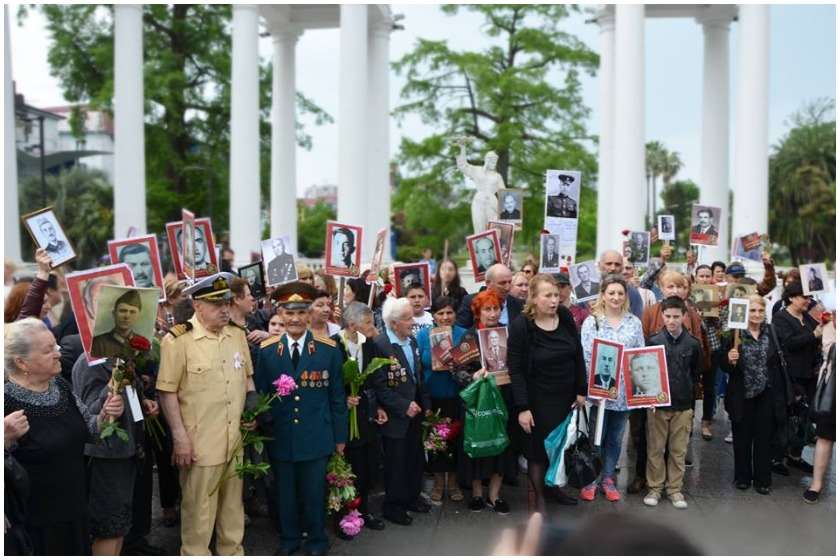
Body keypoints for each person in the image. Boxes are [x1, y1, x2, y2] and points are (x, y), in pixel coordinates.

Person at [4, 318, 125, 555]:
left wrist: (106, 415)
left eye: (56, 346)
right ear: (21, 362)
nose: (58, 353)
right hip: (35, 523)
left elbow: (90, 430)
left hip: (74, 510)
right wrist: (4, 439)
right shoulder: (6, 402)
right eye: (48, 350)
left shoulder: (59, 386)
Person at [155, 272, 255, 555]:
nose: (224, 309)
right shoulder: (178, 341)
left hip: (233, 439)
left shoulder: (236, 335)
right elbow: (167, 392)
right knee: (198, 515)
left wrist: (252, 401)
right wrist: (180, 438)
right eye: (215, 304)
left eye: (226, 302)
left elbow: (247, 377)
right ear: (197, 305)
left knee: (232, 512)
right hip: (199, 444)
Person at [254, 281, 348, 555]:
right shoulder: (268, 350)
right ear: (280, 315)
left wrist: (340, 437)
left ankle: (317, 540)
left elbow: (337, 397)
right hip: (281, 436)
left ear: (309, 315)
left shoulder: (328, 349)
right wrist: (260, 422)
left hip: (316, 436)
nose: (295, 319)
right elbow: (261, 394)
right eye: (289, 313)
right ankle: (289, 540)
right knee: (285, 495)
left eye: (300, 312)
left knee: (314, 493)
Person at [509, 274, 587, 512]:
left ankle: (553, 489)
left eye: (556, 295)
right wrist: (523, 408)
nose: (554, 300)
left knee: (559, 447)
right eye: (548, 296)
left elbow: (577, 354)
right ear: (533, 298)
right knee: (537, 453)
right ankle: (537, 499)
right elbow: (516, 370)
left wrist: (581, 390)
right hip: (536, 400)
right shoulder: (522, 325)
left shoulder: (564, 317)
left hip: (564, 397)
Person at [72, 348, 160, 555]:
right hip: (107, 456)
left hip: (127, 451)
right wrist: (110, 388)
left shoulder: (121, 359)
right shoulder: (89, 363)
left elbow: (130, 393)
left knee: (119, 523)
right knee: (108, 526)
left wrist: (142, 404)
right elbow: (89, 413)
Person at [579, 274, 645, 502]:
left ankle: (608, 478)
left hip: (625, 394)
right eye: (611, 293)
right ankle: (591, 478)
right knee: (596, 436)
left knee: (615, 438)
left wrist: (644, 392)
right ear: (603, 296)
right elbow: (587, 356)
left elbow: (640, 357)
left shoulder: (634, 322)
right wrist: (593, 389)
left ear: (626, 296)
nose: (616, 297)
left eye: (620, 293)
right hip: (601, 391)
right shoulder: (592, 321)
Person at [371, 297, 432, 526]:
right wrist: (403, 405)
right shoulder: (382, 345)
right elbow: (380, 386)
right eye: (407, 319)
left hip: (415, 411)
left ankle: (412, 497)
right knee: (396, 462)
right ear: (394, 323)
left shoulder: (413, 341)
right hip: (396, 414)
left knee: (414, 458)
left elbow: (418, 377)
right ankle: (393, 506)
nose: (412, 323)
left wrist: (424, 405)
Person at [722, 295, 786, 495]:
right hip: (741, 394)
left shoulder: (772, 332)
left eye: (760, 310)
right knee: (742, 437)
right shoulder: (734, 335)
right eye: (752, 310)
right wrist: (729, 359)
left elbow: (778, 362)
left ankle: (762, 479)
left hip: (766, 394)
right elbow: (723, 365)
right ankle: (742, 477)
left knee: (764, 438)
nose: (757, 314)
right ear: (744, 313)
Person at [460, 289, 517, 514]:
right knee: (478, 442)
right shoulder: (469, 336)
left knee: (500, 445)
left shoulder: (507, 335)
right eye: (487, 309)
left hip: (503, 397)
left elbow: (517, 363)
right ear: (478, 312)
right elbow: (457, 369)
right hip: (479, 400)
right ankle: (476, 494)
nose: (492, 313)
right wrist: (472, 376)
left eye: (496, 308)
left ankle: (494, 495)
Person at [643, 297, 703, 510]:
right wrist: (649, 398)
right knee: (656, 449)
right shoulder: (653, 341)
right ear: (662, 316)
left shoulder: (693, 343)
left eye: (676, 316)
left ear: (684, 317)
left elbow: (697, 373)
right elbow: (646, 373)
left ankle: (675, 489)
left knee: (678, 450)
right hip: (658, 405)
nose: (672, 321)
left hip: (683, 404)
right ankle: (655, 488)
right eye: (667, 316)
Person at [334, 302, 387, 532]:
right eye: (367, 323)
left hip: (365, 415)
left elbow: (375, 379)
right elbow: (333, 382)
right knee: (348, 469)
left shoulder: (369, 345)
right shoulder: (335, 344)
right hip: (345, 418)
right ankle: (345, 516)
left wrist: (379, 407)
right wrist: (345, 398)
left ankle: (364, 510)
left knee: (367, 467)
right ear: (352, 324)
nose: (372, 326)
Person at [416, 297, 468, 505]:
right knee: (436, 443)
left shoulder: (463, 334)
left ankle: (453, 483)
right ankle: (438, 483)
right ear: (433, 316)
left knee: (455, 441)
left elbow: (470, 363)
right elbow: (420, 366)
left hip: (457, 396)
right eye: (440, 313)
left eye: (449, 312)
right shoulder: (422, 335)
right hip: (433, 397)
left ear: (455, 314)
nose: (445, 317)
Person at [771, 281, 822, 475]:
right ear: (791, 297)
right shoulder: (781, 318)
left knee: (804, 418)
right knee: (785, 417)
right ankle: (776, 457)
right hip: (789, 376)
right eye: (804, 297)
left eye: (809, 297)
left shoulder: (808, 318)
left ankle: (795, 455)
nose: (807, 301)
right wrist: (813, 334)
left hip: (809, 374)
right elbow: (788, 344)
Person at [804, 343, 835, 504]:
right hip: (833, 389)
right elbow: (827, 349)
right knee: (824, 437)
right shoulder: (831, 324)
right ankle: (816, 484)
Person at [456, 264, 523, 329]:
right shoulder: (470, 301)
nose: (507, 288)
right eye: (502, 283)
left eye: (510, 282)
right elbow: (461, 331)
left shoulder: (520, 304)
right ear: (488, 283)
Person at [90, 289, 148, 360]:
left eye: (132, 312)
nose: (127, 316)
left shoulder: (144, 344)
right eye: (123, 311)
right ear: (114, 313)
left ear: (138, 316)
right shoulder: (97, 344)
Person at [599, 250, 643, 319]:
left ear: (621, 267)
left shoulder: (632, 292)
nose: (613, 268)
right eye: (609, 264)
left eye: (617, 264)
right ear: (600, 265)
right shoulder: (590, 291)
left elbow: (637, 321)